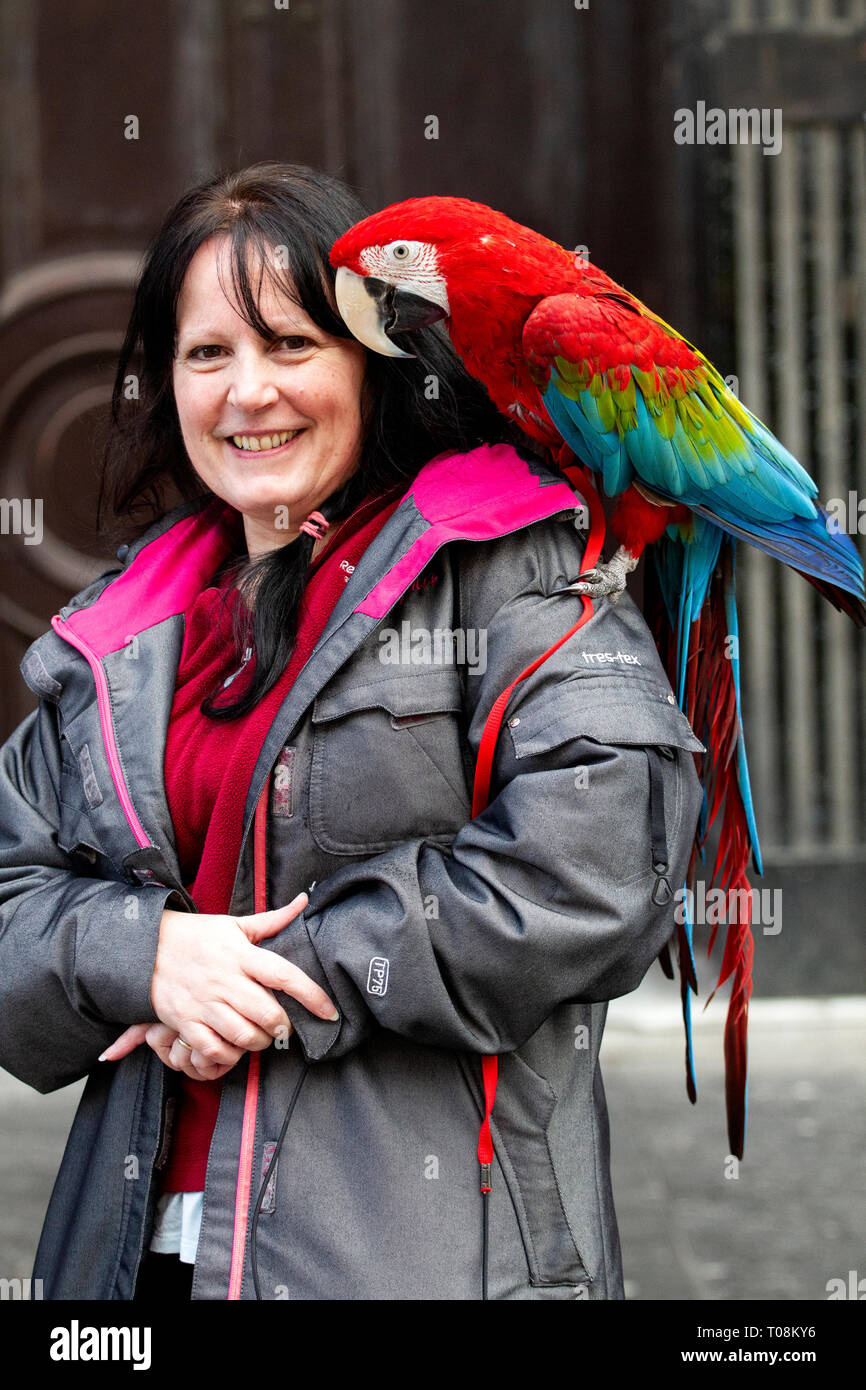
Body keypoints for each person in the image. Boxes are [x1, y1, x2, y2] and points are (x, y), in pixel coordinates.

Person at [0, 161, 703, 1301]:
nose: (247, 394)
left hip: (420, 1264)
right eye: (206, 354)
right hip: (133, 1269)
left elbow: (596, 865)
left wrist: (264, 975)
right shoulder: (121, 632)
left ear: (373, 364)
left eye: (290, 346)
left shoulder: (513, 559)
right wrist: (142, 955)